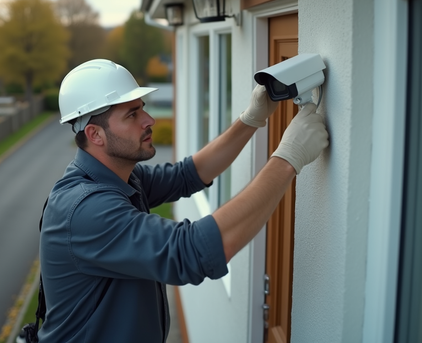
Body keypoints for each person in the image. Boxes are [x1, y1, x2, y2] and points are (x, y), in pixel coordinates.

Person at [37, 59, 329, 343]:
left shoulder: (120, 177)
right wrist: (287, 159)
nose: (149, 120)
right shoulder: (86, 209)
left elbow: (188, 174)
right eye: (131, 114)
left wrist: (250, 119)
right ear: (95, 134)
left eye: (143, 109)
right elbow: (191, 252)